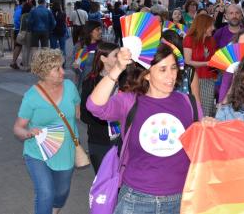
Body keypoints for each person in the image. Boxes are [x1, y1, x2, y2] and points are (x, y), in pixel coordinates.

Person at [87, 44, 205, 214]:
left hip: (180, 199)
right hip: (136, 198)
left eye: (173, 68)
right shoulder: (130, 102)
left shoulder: (189, 103)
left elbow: (200, 144)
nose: (171, 76)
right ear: (147, 74)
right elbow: (94, 106)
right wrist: (117, 69)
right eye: (162, 70)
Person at [13, 49, 80, 214]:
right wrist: (28, 133)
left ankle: (55, 210)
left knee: (61, 192)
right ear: (44, 72)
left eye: (62, 66)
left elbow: (77, 112)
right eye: (57, 69)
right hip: (38, 152)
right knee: (45, 193)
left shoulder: (70, 87)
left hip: (66, 150)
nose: (63, 72)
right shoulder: (31, 97)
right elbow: (17, 128)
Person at [80, 42, 120, 173]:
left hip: (123, 141)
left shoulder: (126, 80)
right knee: (104, 185)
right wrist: (108, 117)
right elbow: (85, 115)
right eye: (116, 55)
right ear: (103, 58)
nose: (120, 58)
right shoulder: (90, 82)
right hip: (99, 141)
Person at [183, 14, 217, 116]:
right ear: (204, 25)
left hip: (209, 79)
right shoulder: (189, 39)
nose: (213, 28)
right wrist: (206, 63)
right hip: (194, 79)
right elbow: (187, 61)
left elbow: (213, 60)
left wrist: (215, 72)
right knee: (195, 109)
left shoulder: (211, 40)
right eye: (211, 25)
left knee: (207, 110)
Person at [11, 0, 23, 70]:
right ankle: (24, 61)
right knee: (24, 46)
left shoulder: (17, 9)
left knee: (17, 47)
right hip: (20, 30)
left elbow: (14, 19)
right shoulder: (22, 10)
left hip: (16, 29)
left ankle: (14, 62)